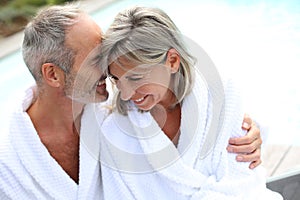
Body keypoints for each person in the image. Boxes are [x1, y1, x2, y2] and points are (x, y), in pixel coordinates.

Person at [0, 3, 262, 200]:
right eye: (95, 59)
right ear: (53, 74)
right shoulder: (9, 159)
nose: (109, 68)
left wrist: (244, 127)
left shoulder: (111, 114)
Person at [98, 6, 282, 199]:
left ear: (172, 61)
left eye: (136, 78)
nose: (125, 94)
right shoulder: (115, 131)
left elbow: (243, 182)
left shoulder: (221, 97)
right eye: (116, 79)